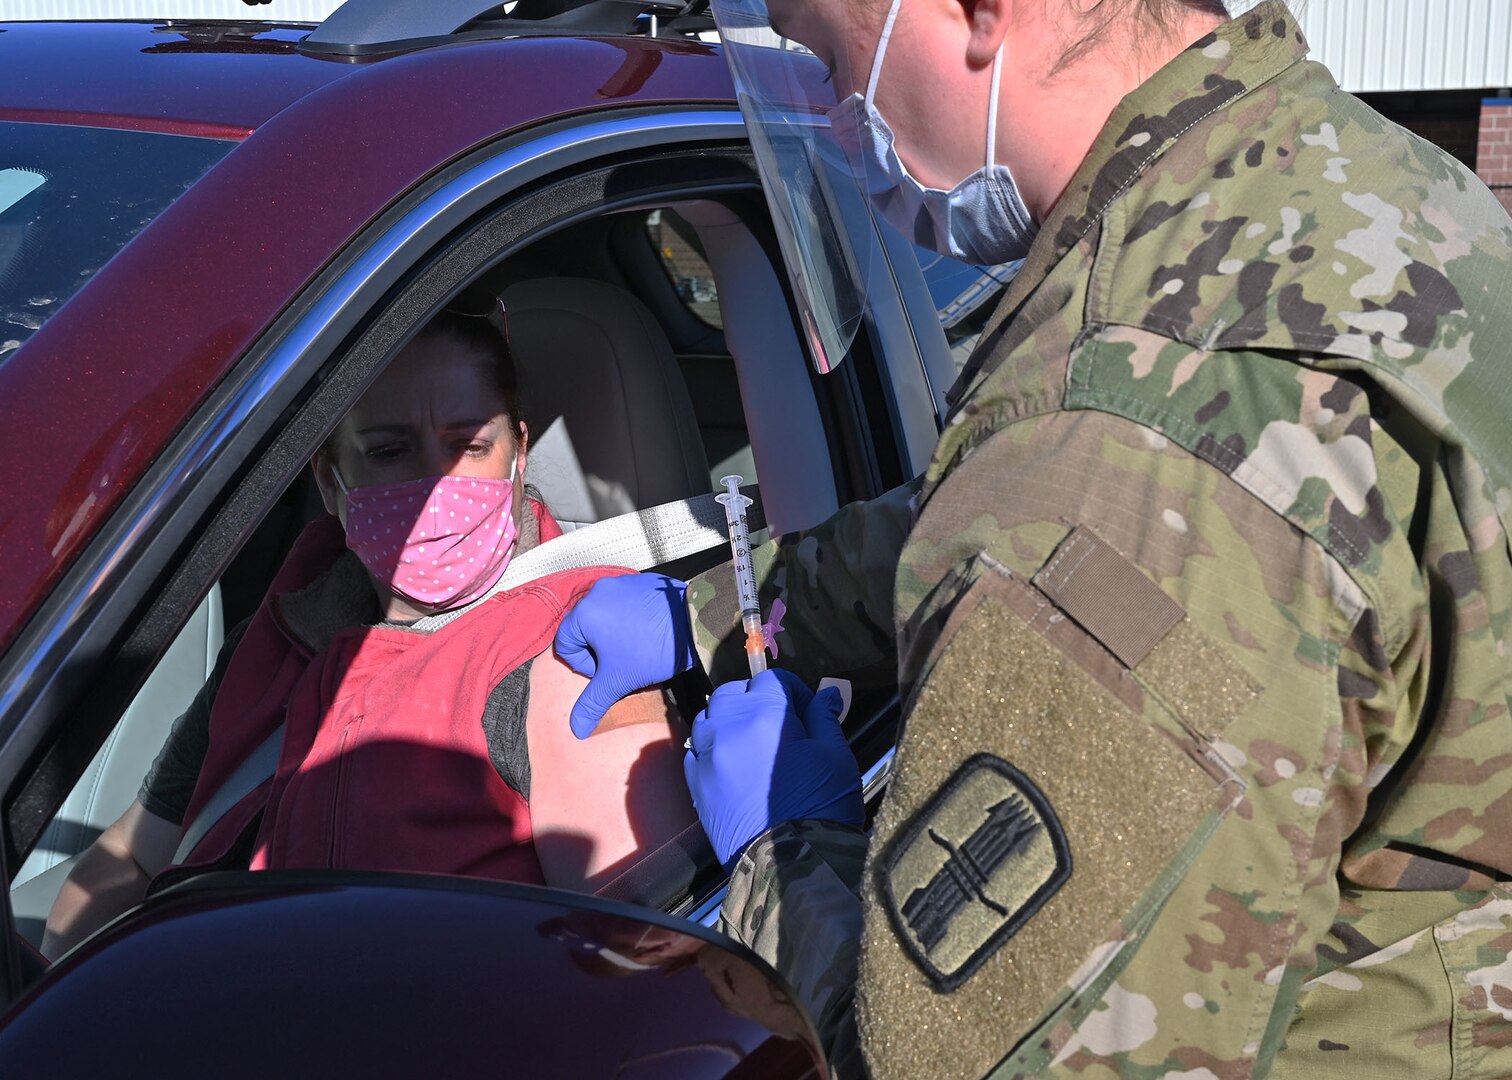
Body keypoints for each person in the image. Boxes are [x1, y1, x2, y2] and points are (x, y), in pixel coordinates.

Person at [553, 0, 1512, 1076]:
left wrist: (784, 856)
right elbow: (985, 511)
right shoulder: (1336, 180)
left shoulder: (1128, 462)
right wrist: (727, 611)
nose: (829, 112)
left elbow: (972, 1061)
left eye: (828, 56)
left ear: (973, 12)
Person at [42, 307, 695, 960]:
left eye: (469, 446)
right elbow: (130, 855)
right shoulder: (282, 633)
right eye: (388, 451)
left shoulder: (576, 645)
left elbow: (634, 963)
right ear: (330, 480)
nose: (438, 487)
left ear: (519, 454)